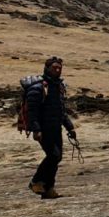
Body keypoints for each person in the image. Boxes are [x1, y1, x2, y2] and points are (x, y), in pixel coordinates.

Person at [27, 56, 77, 199]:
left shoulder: (58, 87)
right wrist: (36, 130)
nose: (57, 70)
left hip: (56, 128)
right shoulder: (39, 87)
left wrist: (70, 128)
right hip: (43, 129)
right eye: (54, 67)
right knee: (53, 156)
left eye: (59, 68)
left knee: (57, 157)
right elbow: (32, 111)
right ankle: (36, 181)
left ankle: (48, 189)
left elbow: (61, 110)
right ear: (47, 68)